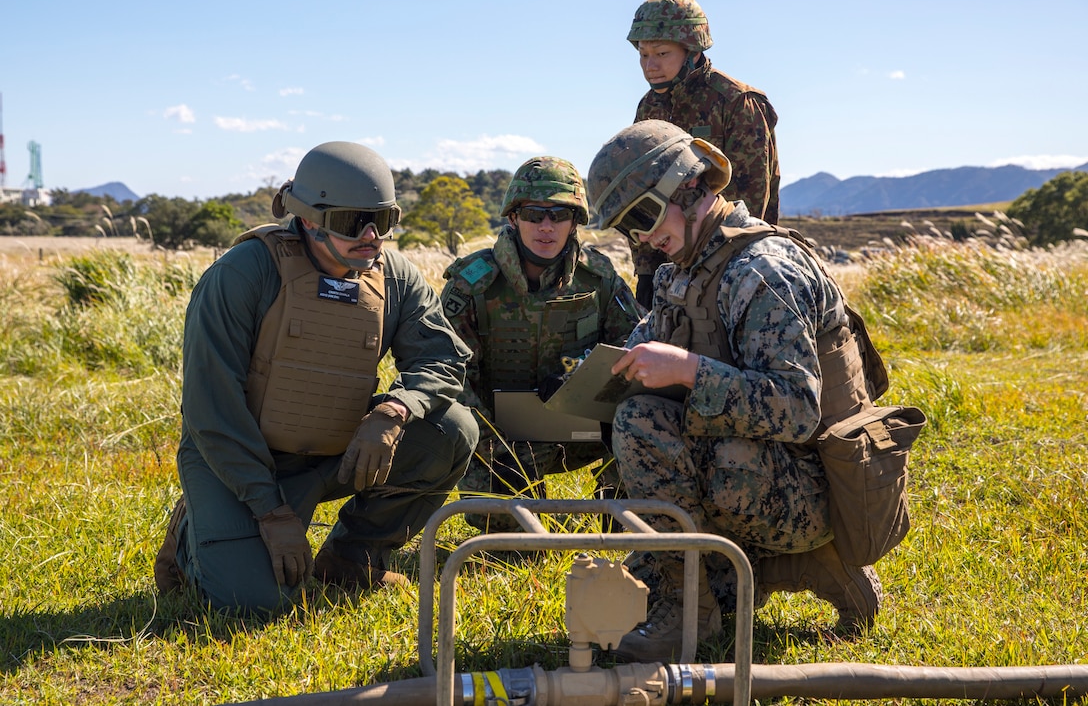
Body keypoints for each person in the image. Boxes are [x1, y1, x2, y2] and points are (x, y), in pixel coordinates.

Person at [586, 120, 881, 662]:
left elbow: (795, 409)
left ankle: (704, 601)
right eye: (628, 229)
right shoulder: (688, 267)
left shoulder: (763, 272)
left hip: (811, 484)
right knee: (636, 582)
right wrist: (591, 377)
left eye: (645, 217)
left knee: (644, 425)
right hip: (757, 465)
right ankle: (743, 575)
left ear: (692, 189)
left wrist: (688, 370)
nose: (643, 238)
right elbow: (645, 342)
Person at [153, 141, 479, 614]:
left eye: (383, 221)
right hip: (240, 459)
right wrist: (270, 511)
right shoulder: (243, 275)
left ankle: (353, 557)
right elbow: (211, 410)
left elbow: (444, 359)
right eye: (353, 222)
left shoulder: (395, 278)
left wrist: (394, 410)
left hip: (335, 450)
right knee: (255, 605)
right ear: (308, 219)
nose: (371, 236)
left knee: (451, 429)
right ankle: (191, 536)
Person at [440, 156, 641, 532]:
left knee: (647, 418)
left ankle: (615, 512)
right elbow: (448, 375)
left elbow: (635, 348)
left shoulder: (598, 277)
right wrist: (488, 444)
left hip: (578, 426)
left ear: (575, 221)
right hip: (497, 433)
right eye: (534, 214)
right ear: (514, 217)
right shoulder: (473, 284)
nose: (546, 227)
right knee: (515, 549)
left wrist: (587, 376)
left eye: (560, 214)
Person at [625, 0, 781, 309]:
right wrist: (645, 270)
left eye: (662, 53)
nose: (650, 66)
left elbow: (749, 201)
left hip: (734, 259)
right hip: (667, 259)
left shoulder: (737, 102)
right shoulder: (649, 106)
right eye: (643, 55)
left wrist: (722, 268)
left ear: (693, 50)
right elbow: (640, 191)